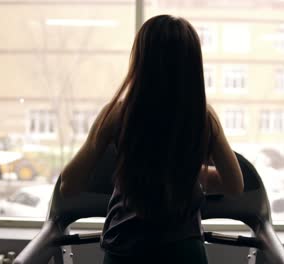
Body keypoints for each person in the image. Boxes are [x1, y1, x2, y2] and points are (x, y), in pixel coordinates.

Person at [59, 15, 244, 264]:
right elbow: (234, 185)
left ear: (140, 60)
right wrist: (183, 172)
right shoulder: (203, 117)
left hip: (125, 250)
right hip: (184, 251)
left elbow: (69, 185)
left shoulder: (117, 114)